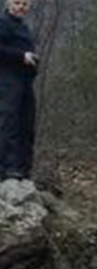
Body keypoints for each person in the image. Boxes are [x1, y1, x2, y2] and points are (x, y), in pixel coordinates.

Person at [0, 0, 36, 180]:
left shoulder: (24, 27)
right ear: (8, 4)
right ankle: (8, 168)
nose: (21, 6)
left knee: (27, 124)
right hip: (8, 80)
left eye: (25, 3)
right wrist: (21, 55)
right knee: (10, 122)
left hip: (25, 82)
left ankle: (24, 168)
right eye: (17, 2)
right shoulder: (3, 23)